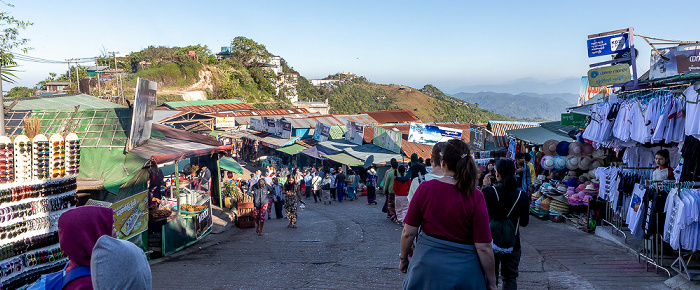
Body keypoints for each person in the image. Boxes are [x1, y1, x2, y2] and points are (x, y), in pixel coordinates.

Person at [400, 139, 497, 290]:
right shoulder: (475, 196)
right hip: (465, 275)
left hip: (426, 272)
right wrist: (492, 282)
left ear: (443, 163)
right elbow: (484, 246)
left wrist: (404, 258)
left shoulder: (425, 188)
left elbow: (408, 232)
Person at [482, 159, 530, 290]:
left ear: (497, 174)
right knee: (509, 278)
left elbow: (480, 218)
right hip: (512, 243)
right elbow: (524, 223)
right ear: (514, 173)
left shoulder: (488, 192)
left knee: (491, 279)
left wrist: (485, 187)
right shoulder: (522, 195)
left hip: (489, 243)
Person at [59, 206, 115, 290]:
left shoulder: (77, 266)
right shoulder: (89, 283)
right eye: (108, 225)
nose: (114, 230)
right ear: (93, 233)